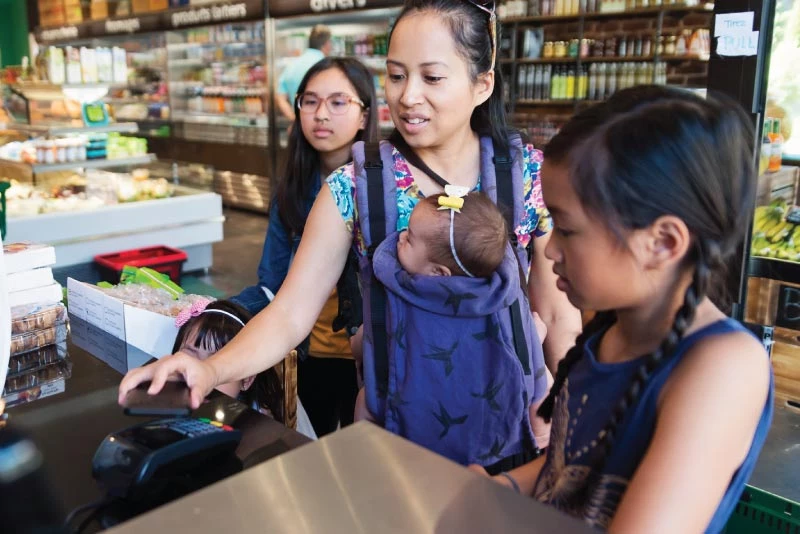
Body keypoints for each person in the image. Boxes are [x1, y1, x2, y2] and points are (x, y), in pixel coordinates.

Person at [119, 0, 579, 460]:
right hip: (397, 436)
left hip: (513, 433)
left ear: (482, 84)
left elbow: (557, 315)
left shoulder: (526, 177)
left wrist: (565, 419)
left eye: (431, 77)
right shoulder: (353, 187)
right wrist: (212, 369)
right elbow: (290, 313)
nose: (408, 96)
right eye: (396, 75)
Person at [470, 86, 774, 533]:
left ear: (662, 243)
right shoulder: (608, 334)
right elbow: (569, 469)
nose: (550, 250)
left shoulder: (723, 366)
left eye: (568, 230)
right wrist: (505, 487)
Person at [232, 57, 378, 436]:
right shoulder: (292, 192)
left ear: (364, 115)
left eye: (337, 102)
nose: (321, 114)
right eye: (310, 101)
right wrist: (218, 318)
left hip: (370, 355)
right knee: (312, 451)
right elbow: (271, 284)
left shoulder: (386, 189)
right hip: (308, 351)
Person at [353, 190, 553, 464]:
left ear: (438, 273)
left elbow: (367, 345)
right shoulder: (502, 297)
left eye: (409, 238)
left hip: (413, 422)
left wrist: (357, 343)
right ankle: (540, 440)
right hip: (487, 423)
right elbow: (528, 351)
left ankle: (361, 461)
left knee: (367, 400)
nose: (400, 236)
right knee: (540, 385)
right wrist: (537, 335)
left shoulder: (402, 295)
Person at [172, 299, 316, 440]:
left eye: (217, 364)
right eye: (190, 358)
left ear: (247, 379)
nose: (199, 375)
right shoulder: (166, 407)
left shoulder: (258, 433)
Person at [275, 25, 332, 124]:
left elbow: (280, 98)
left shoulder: (292, 65)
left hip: (300, 125)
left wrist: (294, 119)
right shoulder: (327, 66)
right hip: (322, 124)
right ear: (327, 44)